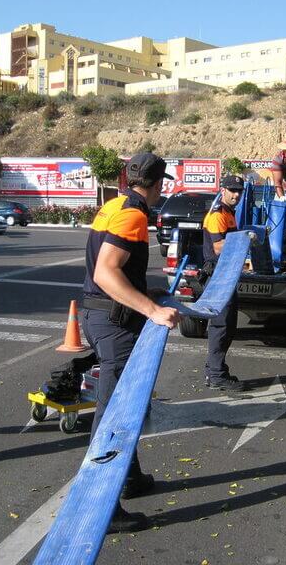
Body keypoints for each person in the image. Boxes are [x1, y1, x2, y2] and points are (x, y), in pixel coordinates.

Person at [80, 152, 180, 533]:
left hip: (97, 313)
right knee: (113, 413)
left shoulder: (113, 205)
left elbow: (104, 267)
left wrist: (143, 290)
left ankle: (130, 477)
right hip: (114, 321)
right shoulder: (135, 214)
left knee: (127, 402)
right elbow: (107, 272)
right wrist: (152, 309)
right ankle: (101, 504)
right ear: (158, 184)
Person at [202, 176, 246, 392]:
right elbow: (218, 247)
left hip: (226, 273)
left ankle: (215, 370)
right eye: (232, 190)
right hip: (218, 275)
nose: (236, 194)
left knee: (227, 325)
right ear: (223, 190)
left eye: (239, 191)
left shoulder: (229, 212)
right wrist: (244, 239)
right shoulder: (218, 214)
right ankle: (216, 374)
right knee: (221, 325)